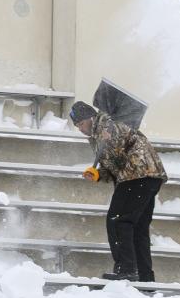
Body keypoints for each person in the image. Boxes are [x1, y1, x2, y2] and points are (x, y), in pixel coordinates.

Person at [69, 100, 168, 283]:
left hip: (137, 175)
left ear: (90, 118)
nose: (81, 129)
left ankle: (126, 270)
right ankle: (145, 278)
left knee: (117, 220)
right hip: (149, 176)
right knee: (137, 228)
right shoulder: (99, 134)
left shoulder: (107, 124)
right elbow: (114, 165)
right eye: (77, 126)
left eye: (81, 124)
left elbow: (119, 146)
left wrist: (110, 138)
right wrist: (97, 174)